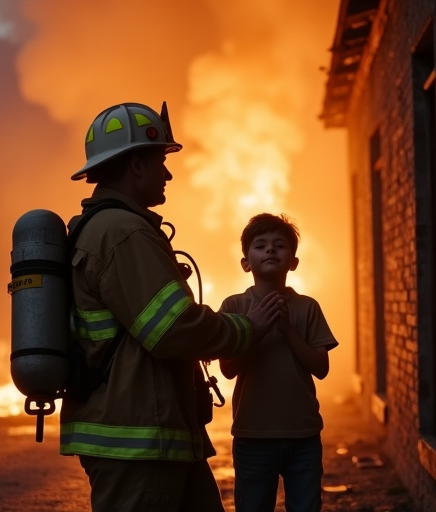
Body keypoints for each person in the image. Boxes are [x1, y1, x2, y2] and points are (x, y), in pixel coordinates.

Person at [59, 102, 284, 512]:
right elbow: (172, 328)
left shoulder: (111, 228)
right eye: (160, 160)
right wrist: (245, 328)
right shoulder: (123, 233)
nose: (168, 173)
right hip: (138, 440)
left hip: (159, 435)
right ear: (136, 166)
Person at [219, 213, 339, 512]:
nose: (270, 250)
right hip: (253, 436)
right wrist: (254, 330)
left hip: (304, 436)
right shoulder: (234, 307)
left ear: (294, 262)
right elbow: (228, 369)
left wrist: (287, 329)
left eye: (279, 245)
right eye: (260, 245)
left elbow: (321, 368)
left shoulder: (307, 308)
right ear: (246, 263)